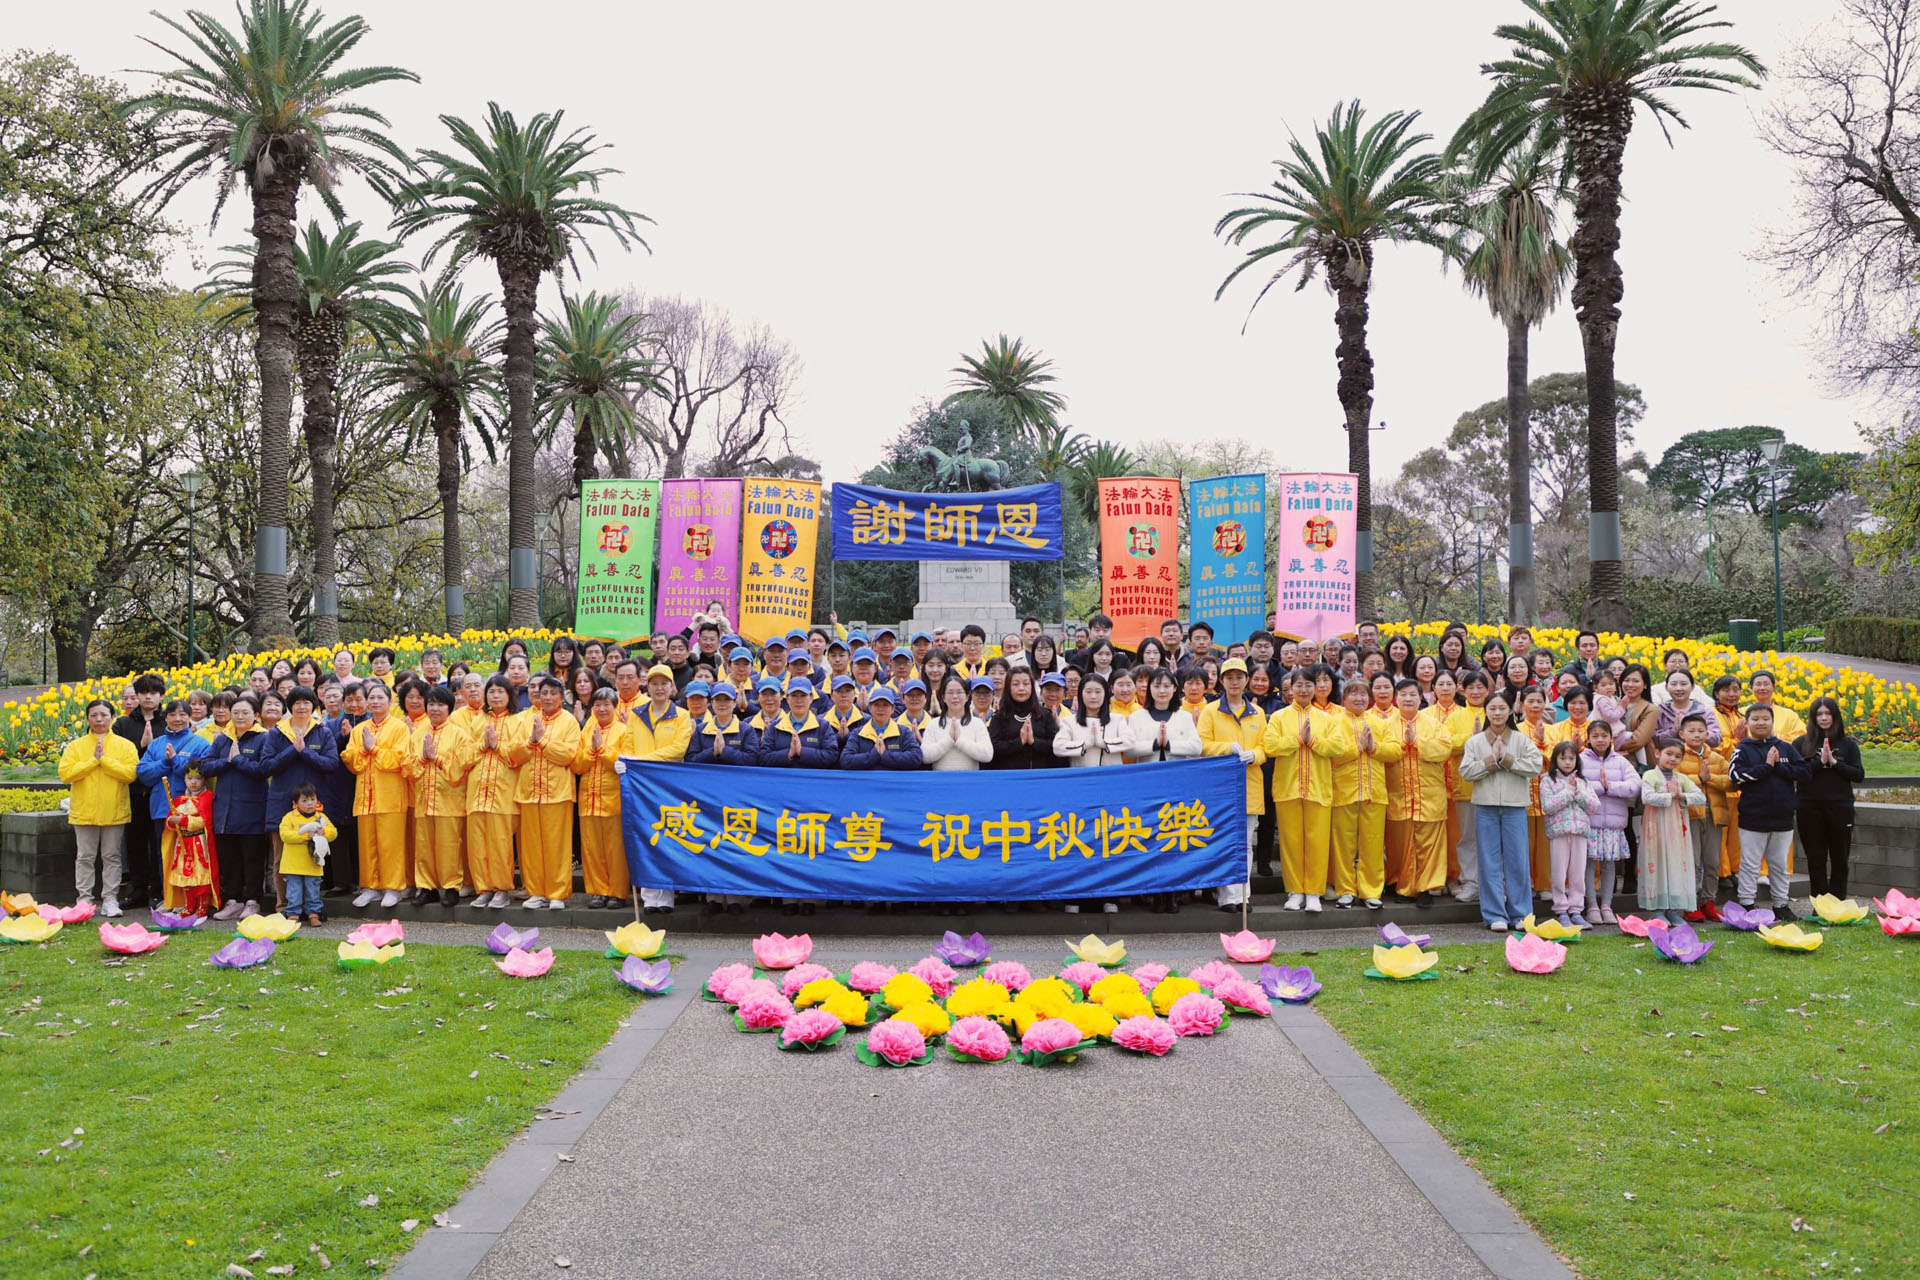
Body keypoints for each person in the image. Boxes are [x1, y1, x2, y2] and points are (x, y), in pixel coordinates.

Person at [1261, 667, 1348, 912]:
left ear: (1315, 688)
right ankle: (1295, 891)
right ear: (1290, 689)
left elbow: (1338, 747)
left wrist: (1313, 742)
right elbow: (1270, 746)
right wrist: (1298, 740)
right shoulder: (1279, 717)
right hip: (1288, 788)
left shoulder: (1327, 719)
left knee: (1317, 843)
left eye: (1308, 685)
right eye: (1298, 685)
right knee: (1291, 843)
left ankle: (1313, 892)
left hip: (1318, 788)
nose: (1303, 689)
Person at [1461, 690, 1543, 932]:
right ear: (1485, 712)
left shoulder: (1521, 740)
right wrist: (1490, 762)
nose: (1497, 713)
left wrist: (1506, 759)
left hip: (1514, 807)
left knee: (1518, 860)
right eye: (1492, 709)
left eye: (1502, 708)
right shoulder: (1475, 742)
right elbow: (1466, 771)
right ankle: (1495, 914)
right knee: (1489, 861)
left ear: (1510, 711)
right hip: (1485, 807)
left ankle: (1521, 914)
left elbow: (1535, 766)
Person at [615, 664, 694, 915]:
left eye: (664, 684)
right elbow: (628, 745)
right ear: (646, 687)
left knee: (668, 836)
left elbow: (678, 750)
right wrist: (626, 761)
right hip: (642, 786)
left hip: (669, 785)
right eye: (654, 684)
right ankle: (650, 896)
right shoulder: (636, 715)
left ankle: (666, 895)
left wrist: (642, 761)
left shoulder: (681, 715)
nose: (659, 688)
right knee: (646, 836)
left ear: (672, 687)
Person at [1196, 658, 1268, 912]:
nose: (1234, 682)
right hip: (1220, 786)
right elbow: (1202, 745)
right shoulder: (1210, 711)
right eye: (1229, 677)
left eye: (1239, 677)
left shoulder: (1257, 712)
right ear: (1221, 681)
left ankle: (1243, 895)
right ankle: (1227, 896)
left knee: (1246, 843)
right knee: (1225, 841)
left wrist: (1254, 755)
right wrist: (1227, 748)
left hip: (1249, 783)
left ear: (1246, 680)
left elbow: (1266, 746)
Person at [59, 700, 140, 916]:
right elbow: (66, 774)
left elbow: (130, 774)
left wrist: (104, 761)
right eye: (94, 715)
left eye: (104, 715)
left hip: (114, 809)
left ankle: (110, 899)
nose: (99, 719)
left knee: (112, 856)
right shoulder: (76, 746)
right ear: (87, 718)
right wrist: (92, 762)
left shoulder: (125, 745)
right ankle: (84, 899)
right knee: (85, 857)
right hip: (84, 810)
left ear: (112, 717)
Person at [1329, 673, 1400, 911]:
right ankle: (1345, 890)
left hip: (1374, 792)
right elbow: (1332, 753)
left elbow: (1395, 751)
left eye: (1363, 694)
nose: (1359, 698)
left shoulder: (1379, 723)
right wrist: (1358, 747)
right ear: (1344, 698)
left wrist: (1374, 747)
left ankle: (1371, 891)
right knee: (1344, 844)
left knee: (1373, 844)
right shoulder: (1335, 722)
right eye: (1353, 694)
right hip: (1344, 792)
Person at [510, 675, 581, 911]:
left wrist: (541, 743)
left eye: (553, 693)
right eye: (544, 693)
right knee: (531, 847)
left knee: (557, 846)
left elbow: (568, 755)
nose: (548, 697)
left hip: (557, 792)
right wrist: (530, 742)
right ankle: (536, 891)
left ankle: (557, 893)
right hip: (529, 791)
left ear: (561, 697)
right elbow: (514, 754)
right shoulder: (527, 720)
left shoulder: (569, 721)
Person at [342, 681, 412, 911]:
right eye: (371, 698)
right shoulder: (359, 729)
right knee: (368, 844)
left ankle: (394, 887)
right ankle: (371, 886)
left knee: (390, 844)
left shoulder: (399, 728)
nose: (376, 701)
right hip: (365, 796)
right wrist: (364, 750)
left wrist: (374, 749)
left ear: (390, 702)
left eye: (380, 697)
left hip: (390, 795)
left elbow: (400, 759)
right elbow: (350, 759)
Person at [200, 693, 271, 921]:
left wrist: (239, 760)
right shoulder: (223, 739)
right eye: (236, 712)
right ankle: (232, 900)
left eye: (245, 713)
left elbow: (263, 769)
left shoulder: (264, 738)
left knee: (252, 858)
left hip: (252, 809)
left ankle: (252, 900)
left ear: (256, 715)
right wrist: (227, 761)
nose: (240, 717)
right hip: (225, 810)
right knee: (229, 858)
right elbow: (205, 767)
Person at [135, 699, 212, 910]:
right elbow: (143, 773)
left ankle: (191, 900)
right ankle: (169, 898)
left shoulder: (200, 743)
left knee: (191, 855)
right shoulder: (156, 744)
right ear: (165, 718)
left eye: (182, 714)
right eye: (172, 715)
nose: (177, 719)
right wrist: (165, 763)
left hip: (191, 811)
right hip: (162, 809)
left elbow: (200, 774)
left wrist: (176, 761)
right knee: (165, 855)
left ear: (189, 717)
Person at [1386, 678, 1453, 905]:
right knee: (1401, 844)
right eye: (1403, 695)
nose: (1408, 699)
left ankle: (1426, 888)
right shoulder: (1386, 725)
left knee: (1429, 843)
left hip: (1429, 793)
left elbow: (1444, 749)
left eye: (1413, 695)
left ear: (1420, 698)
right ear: (1396, 699)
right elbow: (1383, 752)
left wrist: (1418, 742)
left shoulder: (1434, 724)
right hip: (1399, 794)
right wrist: (1401, 746)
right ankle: (1402, 885)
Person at [1793, 696, 1864, 900]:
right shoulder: (1801, 743)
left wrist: (1834, 762)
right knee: (1815, 858)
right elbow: (1795, 774)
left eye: (1828, 713)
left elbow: (1858, 775)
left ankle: (1838, 901)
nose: (1823, 718)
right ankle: (1820, 902)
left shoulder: (1848, 744)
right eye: (1819, 714)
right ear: (1813, 717)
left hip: (1840, 808)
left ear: (1835, 716)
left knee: (1840, 858)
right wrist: (1818, 762)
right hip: (1809, 808)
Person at [408, 685, 471, 909]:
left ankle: (452, 887)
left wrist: (436, 758)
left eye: (440, 705)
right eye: (431, 704)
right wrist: (423, 760)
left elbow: (460, 768)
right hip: (424, 799)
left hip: (449, 801)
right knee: (423, 847)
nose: (435, 709)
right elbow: (407, 766)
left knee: (449, 846)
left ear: (449, 708)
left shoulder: (459, 735)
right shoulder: (417, 734)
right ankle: (427, 887)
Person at [464, 675, 524, 909]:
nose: (495, 696)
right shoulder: (478, 721)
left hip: (503, 793)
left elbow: (519, 755)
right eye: (491, 691)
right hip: (477, 791)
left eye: (500, 691)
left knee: (500, 844)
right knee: (477, 844)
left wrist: (498, 746)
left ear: (509, 695)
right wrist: (484, 745)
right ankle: (484, 888)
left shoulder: (518, 721)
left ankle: (501, 889)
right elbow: (465, 757)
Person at [573, 686, 633, 910]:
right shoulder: (587, 731)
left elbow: (624, 762)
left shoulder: (624, 731)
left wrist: (603, 751)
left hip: (613, 800)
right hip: (588, 800)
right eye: (597, 705)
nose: (602, 709)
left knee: (615, 850)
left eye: (607, 705)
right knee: (592, 850)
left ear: (615, 707)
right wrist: (592, 751)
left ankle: (617, 892)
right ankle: (598, 891)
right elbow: (577, 764)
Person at [1421, 670, 1478, 903]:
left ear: (1457, 688)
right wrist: (1465, 739)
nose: (1445, 688)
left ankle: (1455, 878)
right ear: (1433, 688)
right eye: (1440, 684)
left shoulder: (1465, 713)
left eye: (1449, 684)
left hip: (1458, 781)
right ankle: (1435, 878)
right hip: (1431, 782)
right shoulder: (1424, 715)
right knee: (1434, 835)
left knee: (1457, 834)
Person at [1638, 736, 1707, 926]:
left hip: (1676, 830)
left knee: (1675, 865)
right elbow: (1647, 797)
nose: (1672, 759)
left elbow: (1700, 797)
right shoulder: (1649, 775)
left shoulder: (1681, 778)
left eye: (1677, 756)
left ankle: (1673, 910)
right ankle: (1657, 910)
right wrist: (1671, 796)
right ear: (1657, 753)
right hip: (1655, 829)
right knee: (1657, 863)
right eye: (1668, 754)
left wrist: (1681, 795)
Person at [1578, 719, 1641, 926]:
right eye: (1595, 736)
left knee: (1609, 865)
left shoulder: (1621, 762)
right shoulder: (1580, 760)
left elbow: (1635, 786)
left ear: (1611, 738)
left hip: (1613, 825)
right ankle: (1591, 906)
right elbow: (1576, 786)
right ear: (1588, 738)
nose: (1600, 740)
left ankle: (1606, 906)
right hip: (1589, 823)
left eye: (1604, 736)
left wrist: (1611, 787)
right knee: (1588, 865)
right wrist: (1600, 787)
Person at [113, 674, 166, 909]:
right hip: (133, 791)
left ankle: (158, 888)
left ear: (161, 696)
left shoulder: (167, 721)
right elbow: (117, 754)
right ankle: (138, 889)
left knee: (158, 843)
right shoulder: (123, 724)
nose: (148, 697)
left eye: (153, 693)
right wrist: (140, 747)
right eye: (143, 692)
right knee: (135, 842)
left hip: (159, 792)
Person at [1675, 712, 1731, 921]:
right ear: (1682, 734)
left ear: (1708, 734)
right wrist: (1699, 778)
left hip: (1714, 814)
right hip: (1690, 814)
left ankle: (1708, 901)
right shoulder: (1678, 756)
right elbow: (1674, 781)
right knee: (1691, 861)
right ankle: (1689, 904)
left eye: (1701, 731)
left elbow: (1732, 782)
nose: (1697, 735)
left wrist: (1710, 778)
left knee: (1712, 862)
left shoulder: (1716, 758)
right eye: (1691, 731)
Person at [1539, 742, 1601, 928]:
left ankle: (1576, 911)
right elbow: (1548, 806)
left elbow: (1595, 806)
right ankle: (1561, 910)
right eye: (1563, 758)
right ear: (1555, 760)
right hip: (1559, 833)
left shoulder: (1583, 782)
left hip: (1580, 833)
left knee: (1577, 874)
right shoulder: (1547, 780)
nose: (1567, 762)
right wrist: (1568, 792)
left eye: (1571, 758)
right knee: (1558, 873)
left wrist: (1578, 793)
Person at [161, 764, 218, 916]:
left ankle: (202, 905)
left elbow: (205, 821)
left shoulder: (207, 798)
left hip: (199, 844)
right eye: (189, 778)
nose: (193, 782)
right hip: (182, 845)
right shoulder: (179, 800)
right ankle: (189, 905)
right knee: (185, 874)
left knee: (201, 874)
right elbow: (170, 823)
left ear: (204, 780)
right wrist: (172, 822)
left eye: (198, 778)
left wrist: (184, 821)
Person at [277, 784, 337, 928]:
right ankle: (293, 914)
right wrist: (305, 836)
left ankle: (314, 914)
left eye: (312, 799)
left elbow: (334, 832)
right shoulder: (289, 817)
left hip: (313, 864)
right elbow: (285, 835)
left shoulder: (321, 817)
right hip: (293, 865)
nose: (310, 803)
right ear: (295, 803)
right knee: (294, 891)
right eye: (304, 800)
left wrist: (324, 832)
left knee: (313, 890)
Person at [986, 669, 1057, 770]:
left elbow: (1056, 745)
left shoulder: (1045, 715)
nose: (1021, 688)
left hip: (1040, 774)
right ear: (1008, 688)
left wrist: (1034, 741)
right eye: (1016, 684)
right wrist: (1019, 742)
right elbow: (993, 747)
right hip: (1009, 774)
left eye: (1026, 684)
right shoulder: (999, 717)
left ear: (1032, 687)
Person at [841, 685, 923, 770]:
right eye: (876, 705)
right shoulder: (858, 733)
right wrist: (874, 755)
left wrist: (885, 755)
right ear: (870, 708)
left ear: (893, 709)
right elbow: (846, 760)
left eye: (885, 705)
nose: (880, 709)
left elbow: (916, 757)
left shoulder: (904, 732)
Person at [924, 674, 994, 771]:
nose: (955, 696)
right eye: (950, 692)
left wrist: (960, 741)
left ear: (967, 697)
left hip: (969, 778)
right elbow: (925, 756)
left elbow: (987, 755)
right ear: (943, 697)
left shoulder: (977, 724)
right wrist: (949, 740)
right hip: (940, 779)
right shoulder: (933, 724)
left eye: (959, 692)